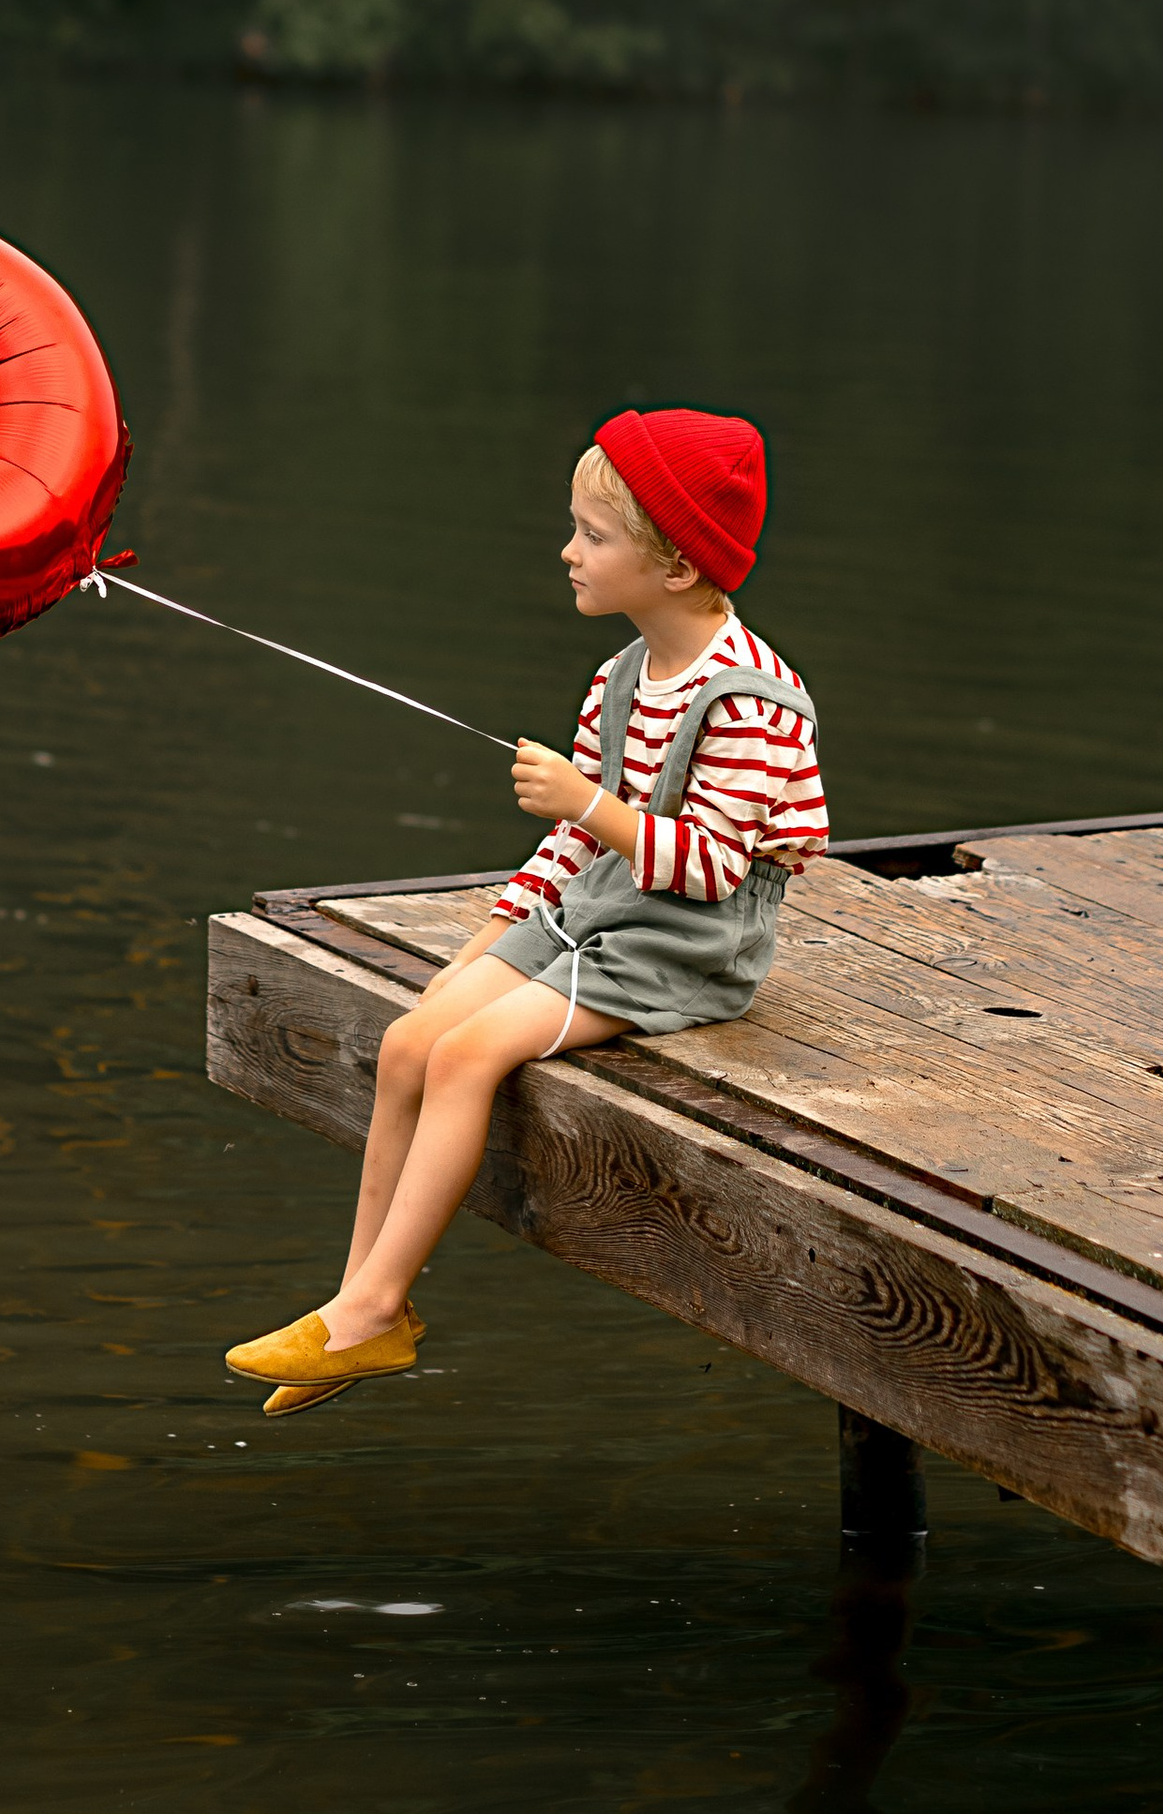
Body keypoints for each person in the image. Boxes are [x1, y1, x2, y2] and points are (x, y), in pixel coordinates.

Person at [226, 405, 826, 1413]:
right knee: (418, 1035)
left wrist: (590, 804)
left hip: (686, 946)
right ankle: (355, 1304)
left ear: (673, 565)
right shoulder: (621, 678)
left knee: (468, 1056)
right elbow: (572, 845)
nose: (567, 551)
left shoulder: (751, 705)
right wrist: (490, 939)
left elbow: (716, 867)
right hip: (602, 910)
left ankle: (372, 1312)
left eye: (592, 534)